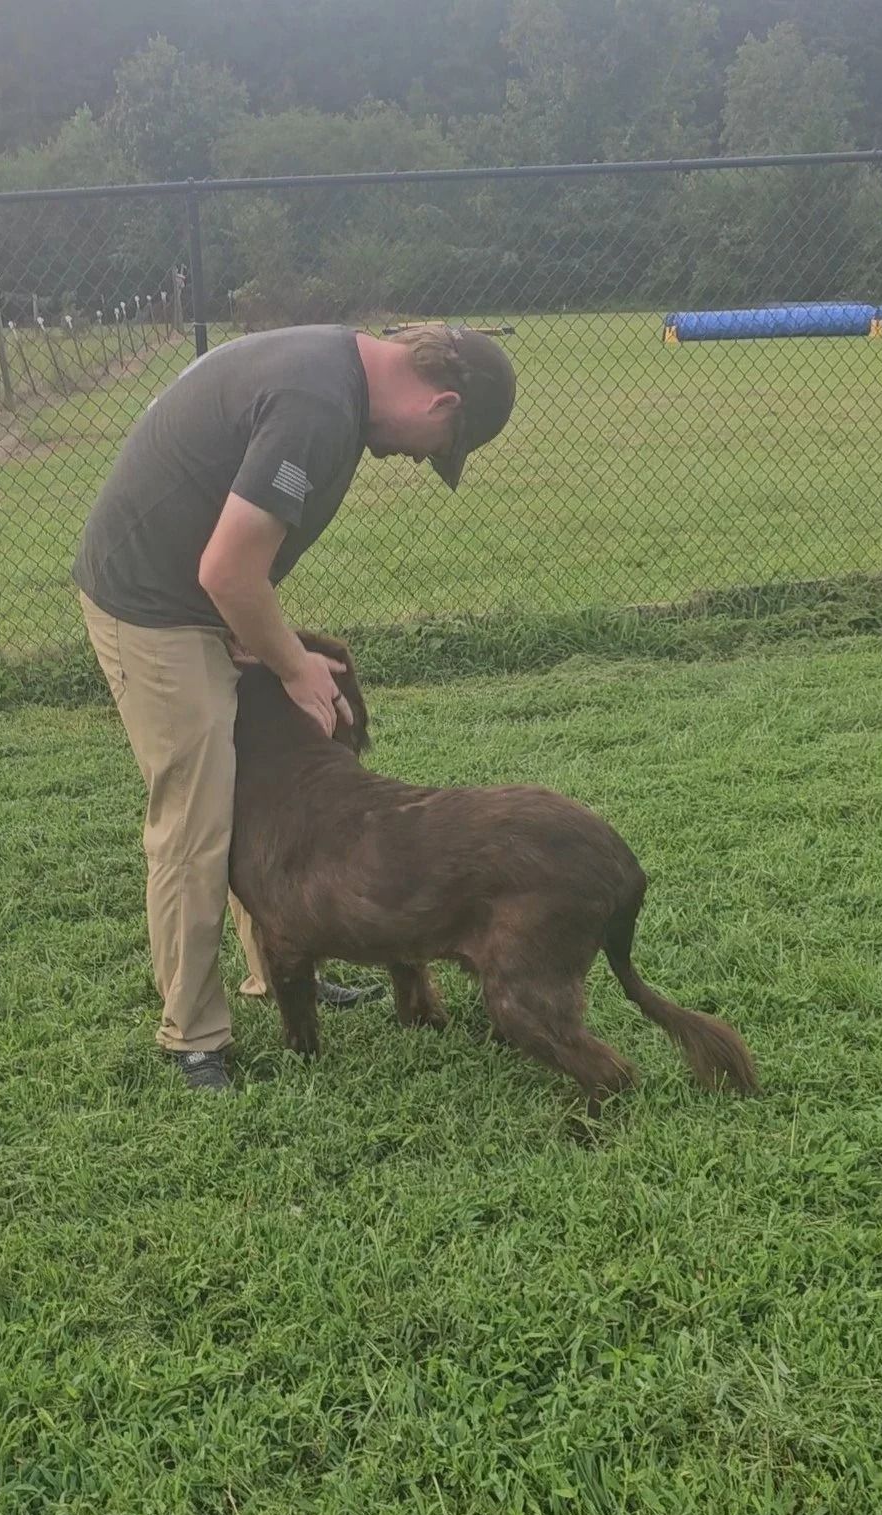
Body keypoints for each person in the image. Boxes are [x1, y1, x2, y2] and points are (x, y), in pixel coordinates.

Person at [73, 322, 517, 1091]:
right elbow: (228, 569)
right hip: (152, 601)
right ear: (440, 400)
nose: (419, 459)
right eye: (438, 446)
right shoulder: (318, 404)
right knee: (197, 809)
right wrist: (295, 667)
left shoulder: (335, 368)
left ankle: (278, 957)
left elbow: (236, 562)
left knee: (260, 789)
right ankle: (194, 1037)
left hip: (201, 593)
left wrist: (258, 628)